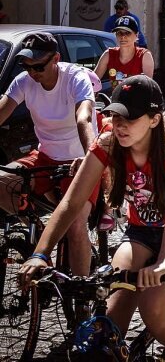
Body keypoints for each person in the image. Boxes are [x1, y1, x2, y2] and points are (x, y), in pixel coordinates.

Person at [19, 76, 165, 362]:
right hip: (141, 232)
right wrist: (40, 253)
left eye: (130, 118)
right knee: (109, 323)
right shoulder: (109, 142)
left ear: (154, 120)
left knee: (154, 308)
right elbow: (72, 202)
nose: (120, 125)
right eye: (115, 115)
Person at [0, 32, 98, 281]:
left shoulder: (75, 77)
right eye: (26, 65)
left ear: (56, 58)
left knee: (76, 225)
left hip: (80, 159)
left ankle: (82, 301)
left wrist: (90, 158)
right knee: (3, 182)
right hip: (45, 155)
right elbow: (3, 110)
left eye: (39, 66)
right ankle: (44, 237)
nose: (32, 72)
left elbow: (84, 117)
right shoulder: (24, 82)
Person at [95, 16, 155, 89]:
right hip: (116, 99)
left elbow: (148, 87)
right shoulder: (108, 54)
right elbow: (93, 81)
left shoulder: (144, 56)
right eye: (119, 33)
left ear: (136, 35)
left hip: (138, 99)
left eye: (127, 33)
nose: (123, 37)